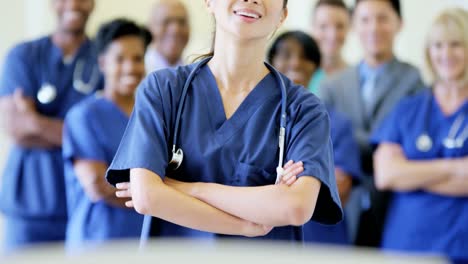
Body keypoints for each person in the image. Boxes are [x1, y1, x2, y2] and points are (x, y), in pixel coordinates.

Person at [107, 0, 342, 242]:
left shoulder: (303, 109)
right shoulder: (163, 90)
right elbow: (147, 197)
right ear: (209, 2)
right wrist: (247, 224)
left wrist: (184, 187)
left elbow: (295, 207)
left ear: (283, 15)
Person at [318, 0, 425, 247]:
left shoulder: (414, 80)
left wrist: (348, 143)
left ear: (399, 24)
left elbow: (412, 143)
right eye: (365, 20)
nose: (374, 28)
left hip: (394, 204)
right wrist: (384, 145)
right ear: (354, 25)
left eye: (383, 19)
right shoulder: (332, 85)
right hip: (343, 205)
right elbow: (324, 143)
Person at [0, 0, 101, 251]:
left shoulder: (105, 59)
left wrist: (34, 121)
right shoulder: (23, 56)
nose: (74, 3)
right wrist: (78, 136)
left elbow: (105, 137)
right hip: (29, 205)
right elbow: (15, 128)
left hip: (85, 203)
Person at [371, 8, 468, 262]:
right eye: (438, 45)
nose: (445, 54)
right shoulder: (408, 109)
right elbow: (386, 175)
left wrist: (413, 173)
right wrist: (456, 167)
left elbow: (400, 173)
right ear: (429, 52)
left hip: (460, 247)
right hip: (406, 246)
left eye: (456, 44)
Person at [62, 18, 150, 249]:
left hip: (142, 243)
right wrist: (158, 196)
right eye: (119, 59)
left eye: (137, 59)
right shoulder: (84, 116)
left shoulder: (151, 116)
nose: (130, 67)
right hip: (97, 243)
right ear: (102, 63)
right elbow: (98, 186)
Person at [268, 30, 361, 245]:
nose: (296, 63)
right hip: (267, 239)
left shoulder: (337, 123)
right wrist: (307, 181)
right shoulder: (256, 118)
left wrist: (276, 185)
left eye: (306, 57)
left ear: (317, 67)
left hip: (321, 241)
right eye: (286, 54)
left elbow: (340, 188)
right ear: (271, 61)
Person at [309, 0, 351, 93]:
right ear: (313, 27)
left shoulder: (357, 78)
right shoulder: (300, 75)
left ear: (349, 28)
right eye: (323, 26)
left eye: (340, 26)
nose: (332, 35)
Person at [145, 0, 190, 73]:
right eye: (166, 22)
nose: (175, 30)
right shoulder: (138, 73)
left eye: (181, 22)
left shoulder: (197, 73)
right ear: (149, 29)